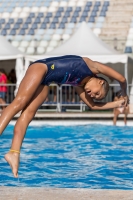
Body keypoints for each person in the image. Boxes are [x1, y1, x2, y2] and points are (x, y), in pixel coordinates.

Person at [0, 55, 129, 178]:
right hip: (41, 68)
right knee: (19, 102)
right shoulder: (91, 66)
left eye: (95, 96)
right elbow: (122, 79)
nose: (93, 95)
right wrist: (124, 94)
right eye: (97, 93)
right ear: (100, 81)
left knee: (28, 114)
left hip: (46, 81)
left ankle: (14, 153)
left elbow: (93, 106)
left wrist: (117, 103)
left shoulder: (79, 84)